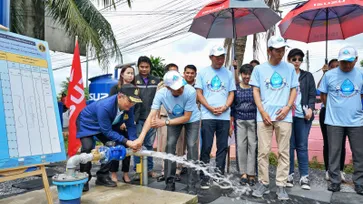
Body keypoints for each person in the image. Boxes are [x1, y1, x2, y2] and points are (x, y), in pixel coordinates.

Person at [250, 35, 298, 200]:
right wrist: (262, 112)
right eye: (278, 50)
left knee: (284, 152)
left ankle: (281, 185)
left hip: (284, 117)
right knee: (263, 152)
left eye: (283, 49)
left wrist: (287, 107)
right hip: (263, 117)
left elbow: (293, 89)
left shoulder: (290, 68)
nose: (281, 53)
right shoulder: (259, 69)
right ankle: (263, 183)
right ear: (269, 51)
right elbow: (255, 91)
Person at [137, 70, 200, 194]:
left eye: (181, 86)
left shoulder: (190, 91)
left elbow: (186, 117)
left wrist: (164, 122)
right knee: (170, 145)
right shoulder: (161, 94)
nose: (181, 90)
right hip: (173, 119)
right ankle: (169, 182)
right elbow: (151, 116)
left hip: (192, 119)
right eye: (177, 88)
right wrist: (141, 138)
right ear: (167, 87)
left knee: (192, 146)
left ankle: (192, 184)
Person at [77, 84, 143, 192]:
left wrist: (133, 141)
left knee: (113, 146)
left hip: (106, 125)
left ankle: (102, 176)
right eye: (130, 101)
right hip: (87, 123)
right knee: (87, 148)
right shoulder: (105, 106)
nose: (132, 104)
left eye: (134, 102)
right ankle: (84, 179)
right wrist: (127, 142)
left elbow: (130, 125)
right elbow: (107, 131)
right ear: (120, 96)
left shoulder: (129, 106)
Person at [318, 46, 363, 195]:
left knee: (359, 153)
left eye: (350, 61)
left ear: (356, 60)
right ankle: (335, 181)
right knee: (334, 153)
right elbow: (323, 95)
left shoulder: (361, 74)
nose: (347, 65)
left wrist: (355, 108)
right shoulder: (329, 75)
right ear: (339, 60)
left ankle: (359, 182)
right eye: (343, 62)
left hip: (356, 121)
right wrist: (333, 108)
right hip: (334, 121)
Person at [195, 45, 236, 189]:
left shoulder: (229, 74)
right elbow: (199, 93)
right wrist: (210, 108)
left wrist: (225, 107)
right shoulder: (203, 72)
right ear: (211, 57)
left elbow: (231, 93)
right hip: (207, 116)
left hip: (224, 117)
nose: (220, 60)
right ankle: (204, 177)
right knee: (206, 147)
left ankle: (219, 175)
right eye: (218, 57)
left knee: (222, 148)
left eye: (222, 57)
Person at [286, 49, 316, 190]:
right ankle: (289, 174)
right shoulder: (285, 75)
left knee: (302, 146)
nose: (297, 62)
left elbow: (311, 94)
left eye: (299, 59)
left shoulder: (307, 76)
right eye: (294, 59)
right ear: (289, 60)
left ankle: (304, 176)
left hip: (302, 116)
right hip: (287, 116)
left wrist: (310, 108)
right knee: (289, 147)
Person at [318, 59, 347, 182]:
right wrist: (324, 74)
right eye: (332, 66)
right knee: (328, 143)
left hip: (342, 114)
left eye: (337, 66)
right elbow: (319, 90)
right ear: (328, 68)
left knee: (341, 144)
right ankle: (328, 170)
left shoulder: (343, 79)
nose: (335, 68)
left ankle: (340, 170)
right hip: (327, 113)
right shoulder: (327, 77)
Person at [156, 63, 185, 182]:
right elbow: (157, 103)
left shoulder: (182, 85)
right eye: (171, 71)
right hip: (163, 118)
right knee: (164, 145)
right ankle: (165, 171)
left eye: (176, 72)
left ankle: (177, 170)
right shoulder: (160, 86)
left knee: (179, 146)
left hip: (178, 118)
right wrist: (157, 118)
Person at [133, 56, 160, 179]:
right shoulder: (133, 80)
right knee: (138, 144)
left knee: (149, 145)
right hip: (137, 119)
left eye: (146, 67)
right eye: (141, 67)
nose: (144, 69)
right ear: (138, 67)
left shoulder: (156, 81)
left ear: (150, 68)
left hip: (152, 117)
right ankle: (138, 170)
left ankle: (149, 169)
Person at [230, 64, 257, 186]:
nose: (247, 76)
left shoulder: (256, 88)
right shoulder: (236, 89)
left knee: (253, 146)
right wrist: (231, 123)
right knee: (241, 146)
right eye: (245, 74)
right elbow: (232, 107)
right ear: (241, 75)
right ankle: (243, 173)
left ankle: (252, 174)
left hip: (253, 120)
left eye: (249, 74)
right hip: (239, 120)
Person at [109, 65, 136, 183]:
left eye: (132, 73)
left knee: (128, 148)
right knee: (115, 147)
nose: (130, 75)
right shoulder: (115, 88)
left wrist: (128, 121)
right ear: (122, 74)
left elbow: (135, 107)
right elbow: (112, 106)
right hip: (116, 125)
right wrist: (121, 121)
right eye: (128, 73)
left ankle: (126, 173)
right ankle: (113, 173)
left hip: (128, 123)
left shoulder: (135, 89)